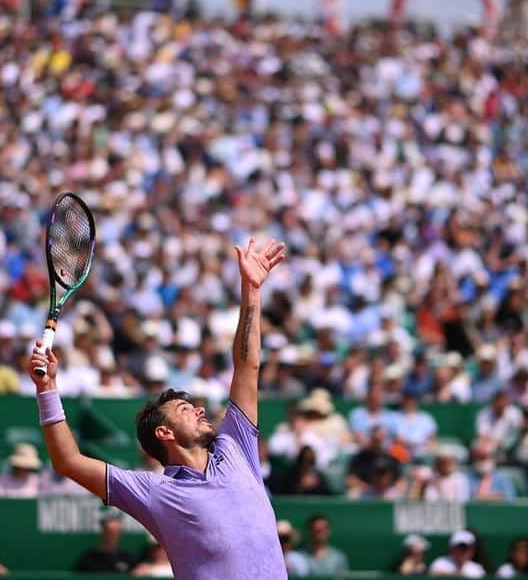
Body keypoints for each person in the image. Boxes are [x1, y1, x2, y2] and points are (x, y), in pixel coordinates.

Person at [28, 237, 288, 579]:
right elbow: (68, 461)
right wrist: (47, 389)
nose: (199, 410)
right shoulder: (154, 492)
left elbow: (247, 366)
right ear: (164, 433)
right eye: (184, 409)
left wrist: (251, 290)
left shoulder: (236, 447)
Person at [301, 514, 349, 578]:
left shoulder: (339, 557)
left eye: (323, 529)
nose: (320, 533)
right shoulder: (299, 556)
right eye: (317, 530)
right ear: (309, 531)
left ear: (329, 531)